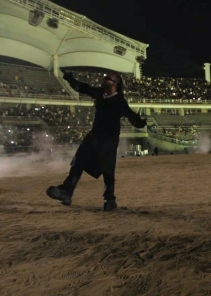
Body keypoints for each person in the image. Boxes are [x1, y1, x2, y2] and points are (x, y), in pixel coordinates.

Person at [46, 70, 146, 211]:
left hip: (109, 139)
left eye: (107, 78)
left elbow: (131, 116)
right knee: (78, 161)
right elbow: (83, 88)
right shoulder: (100, 94)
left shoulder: (119, 101)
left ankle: (109, 199)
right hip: (94, 135)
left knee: (108, 170)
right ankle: (66, 191)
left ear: (115, 83)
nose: (103, 79)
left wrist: (141, 123)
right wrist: (70, 79)